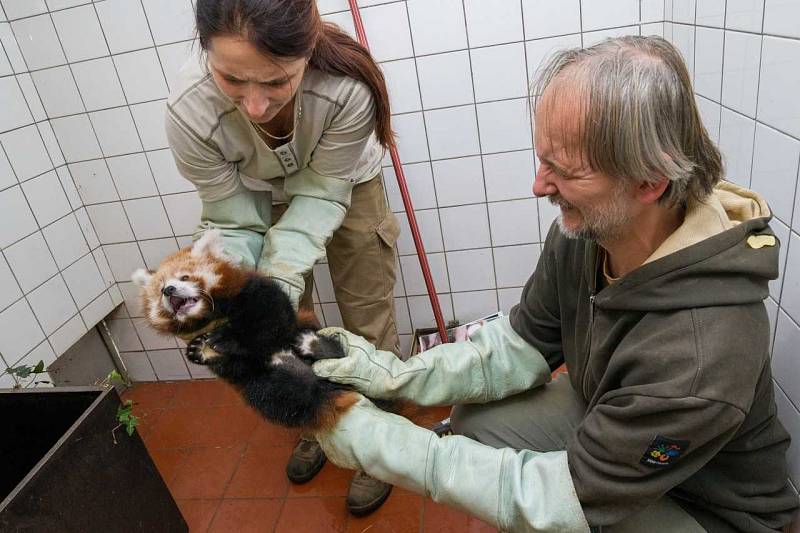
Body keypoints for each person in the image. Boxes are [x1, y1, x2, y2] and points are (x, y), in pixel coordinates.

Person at [311, 36, 800, 532]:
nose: (539, 185)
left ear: (648, 181)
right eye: (542, 159)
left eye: (563, 170)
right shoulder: (589, 232)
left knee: (564, 515)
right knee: (477, 422)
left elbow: (568, 497)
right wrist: (394, 375)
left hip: (710, 511)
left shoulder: (701, 349)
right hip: (621, 445)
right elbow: (519, 344)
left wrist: (391, 447)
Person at [165, 0, 401, 515]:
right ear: (206, 53)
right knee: (286, 323)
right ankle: (318, 417)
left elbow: (319, 196)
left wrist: (277, 282)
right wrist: (245, 297)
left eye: (276, 81)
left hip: (346, 185)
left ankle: (380, 436)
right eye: (232, 79)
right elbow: (232, 219)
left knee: (366, 312)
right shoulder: (189, 110)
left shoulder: (346, 90)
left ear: (307, 51)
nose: (255, 105)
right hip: (258, 192)